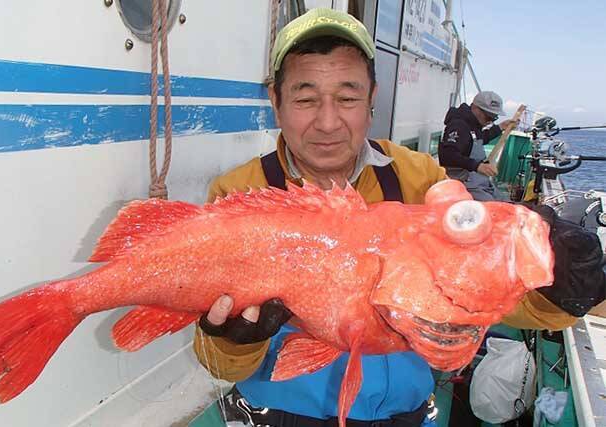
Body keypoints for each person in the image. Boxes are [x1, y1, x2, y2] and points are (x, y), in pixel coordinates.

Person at [193, 7, 606, 427]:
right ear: (275, 102)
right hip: (279, 413)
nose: (328, 121)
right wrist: (235, 342)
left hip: (401, 414)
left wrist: (558, 292)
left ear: (372, 100)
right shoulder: (238, 196)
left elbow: (478, 293)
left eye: (348, 98)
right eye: (305, 99)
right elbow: (221, 365)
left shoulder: (419, 179)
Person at [438, 91, 515, 201]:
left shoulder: (473, 124)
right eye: (488, 117)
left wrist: (500, 127)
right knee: (495, 209)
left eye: (494, 118)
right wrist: (477, 166)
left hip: (478, 182)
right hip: (463, 184)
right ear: (475, 108)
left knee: (507, 203)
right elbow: (448, 155)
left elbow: (479, 140)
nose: (490, 121)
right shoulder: (459, 125)